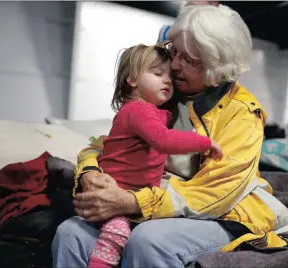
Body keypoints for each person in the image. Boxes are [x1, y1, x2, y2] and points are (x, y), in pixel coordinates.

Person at [52, 5, 288, 268]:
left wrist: (132, 202)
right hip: (152, 199)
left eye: (189, 60)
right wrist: (89, 173)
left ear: (217, 67)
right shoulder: (163, 93)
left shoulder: (242, 114)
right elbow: (104, 145)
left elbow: (215, 193)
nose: (175, 65)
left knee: (149, 241)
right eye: (174, 51)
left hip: (223, 213)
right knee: (71, 233)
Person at [82, 44, 222, 268]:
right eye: (158, 74)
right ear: (132, 80)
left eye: (170, 76)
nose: (167, 80)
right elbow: (164, 140)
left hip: (127, 193)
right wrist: (203, 143)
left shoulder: (142, 111)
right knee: (115, 235)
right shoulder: (140, 110)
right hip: (116, 194)